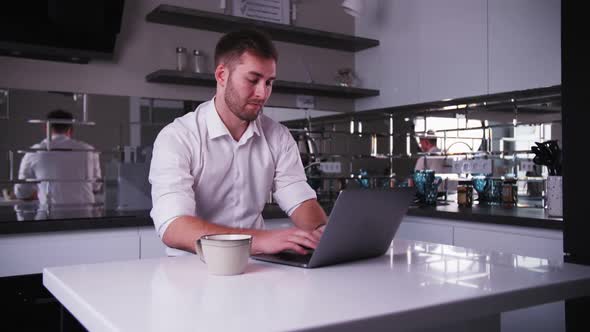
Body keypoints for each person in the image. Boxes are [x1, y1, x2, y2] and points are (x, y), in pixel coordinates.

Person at [149, 29, 328, 257]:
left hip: (259, 265)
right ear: (222, 75)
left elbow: (300, 199)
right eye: (253, 80)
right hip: (194, 268)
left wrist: (323, 233)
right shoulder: (177, 137)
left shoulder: (278, 136)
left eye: (269, 82)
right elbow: (174, 226)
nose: (262, 93)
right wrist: (263, 239)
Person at [14, 109, 102, 208]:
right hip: (85, 215)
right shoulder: (88, 150)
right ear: (71, 129)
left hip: (50, 216)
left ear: (46, 127)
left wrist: (41, 191)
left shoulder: (33, 152)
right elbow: (96, 186)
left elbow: (22, 192)